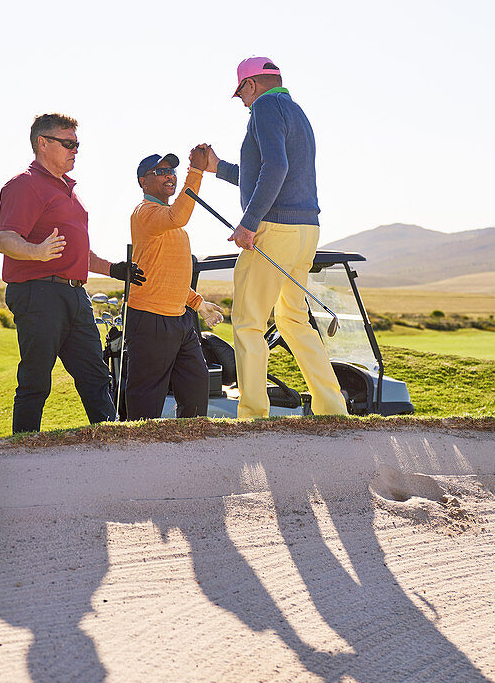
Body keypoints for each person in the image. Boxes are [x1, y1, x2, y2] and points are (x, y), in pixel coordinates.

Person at [193, 57, 347, 419]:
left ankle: (253, 415)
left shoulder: (264, 107)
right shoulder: (295, 111)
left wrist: (248, 223)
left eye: (241, 94)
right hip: (306, 230)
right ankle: (332, 410)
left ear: (251, 85)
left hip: (273, 230)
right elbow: (265, 172)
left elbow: (275, 168)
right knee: (294, 320)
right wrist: (218, 169)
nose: (243, 103)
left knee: (248, 322)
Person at [0, 112, 145, 434]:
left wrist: (114, 270)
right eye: (67, 144)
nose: (74, 150)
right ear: (43, 143)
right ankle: (23, 448)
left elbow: (79, 252)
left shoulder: (69, 191)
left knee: (95, 375)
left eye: (76, 144)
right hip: (38, 292)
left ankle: (111, 442)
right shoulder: (24, 185)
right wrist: (36, 252)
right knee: (36, 379)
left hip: (75, 294)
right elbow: (6, 239)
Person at [124, 148, 223, 419]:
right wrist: (196, 172)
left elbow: (169, 276)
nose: (169, 175)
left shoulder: (174, 225)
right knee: (146, 401)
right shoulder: (145, 212)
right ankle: (139, 456)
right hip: (150, 318)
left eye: (172, 171)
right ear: (144, 181)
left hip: (180, 320)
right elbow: (178, 215)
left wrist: (198, 304)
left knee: (196, 385)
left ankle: (189, 452)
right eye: (160, 171)